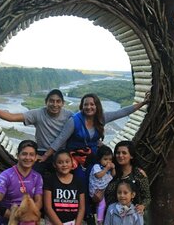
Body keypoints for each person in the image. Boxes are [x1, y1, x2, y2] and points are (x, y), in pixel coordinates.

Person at [40, 93, 150, 223]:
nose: (89, 107)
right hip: (76, 157)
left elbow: (122, 112)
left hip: (93, 156)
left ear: (97, 106)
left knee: (103, 172)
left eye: (92, 104)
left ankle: (102, 208)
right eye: (86, 104)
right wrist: (45, 156)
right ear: (82, 106)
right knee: (80, 178)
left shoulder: (101, 118)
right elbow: (60, 140)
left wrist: (143, 103)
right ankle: (86, 212)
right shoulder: (74, 121)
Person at [0, 89, 73, 175]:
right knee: (31, 176)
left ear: (63, 103)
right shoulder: (38, 114)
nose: (55, 104)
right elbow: (12, 117)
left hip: (62, 153)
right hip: (41, 153)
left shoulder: (69, 115)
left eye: (58, 101)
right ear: (46, 102)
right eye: (51, 101)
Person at [0, 140, 43, 225]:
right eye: (24, 154)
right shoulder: (6, 176)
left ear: (36, 157)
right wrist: (17, 218)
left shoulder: (37, 177)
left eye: (31, 155)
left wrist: (28, 218)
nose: (28, 158)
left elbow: (38, 201)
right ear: (18, 156)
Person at [104, 140, 151, 215]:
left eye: (124, 153)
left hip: (130, 217)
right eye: (118, 153)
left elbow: (147, 197)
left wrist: (142, 206)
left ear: (131, 156)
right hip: (110, 216)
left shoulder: (138, 174)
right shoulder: (110, 171)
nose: (120, 155)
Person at [43, 149, 85, 225]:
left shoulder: (78, 181)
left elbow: (82, 208)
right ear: (54, 164)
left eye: (67, 161)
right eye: (60, 162)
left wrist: (77, 223)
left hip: (73, 222)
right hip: (52, 222)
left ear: (72, 163)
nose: (64, 165)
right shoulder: (49, 180)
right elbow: (48, 207)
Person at [88, 145, 116, 225]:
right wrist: (106, 169)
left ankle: (100, 219)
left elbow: (113, 175)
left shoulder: (108, 167)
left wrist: (113, 168)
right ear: (99, 159)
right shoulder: (97, 166)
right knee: (101, 204)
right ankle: (99, 221)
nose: (108, 162)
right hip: (96, 190)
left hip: (102, 190)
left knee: (102, 204)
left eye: (110, 159)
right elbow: (98, 175)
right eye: (105, 159)